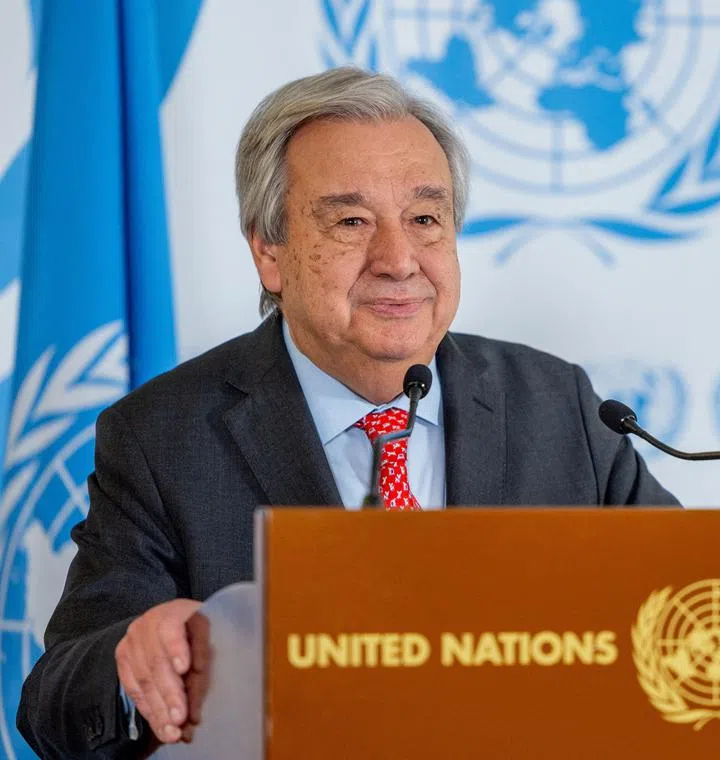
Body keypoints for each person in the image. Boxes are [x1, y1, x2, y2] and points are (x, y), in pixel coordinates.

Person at [17, 67, 678, 758]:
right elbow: (54, 705)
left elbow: (690, 600)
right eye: (352, 221)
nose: (399, 259)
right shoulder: (164, 436)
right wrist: (135, 657)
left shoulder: (556, 404)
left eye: (425, 219)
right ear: (269, 252)